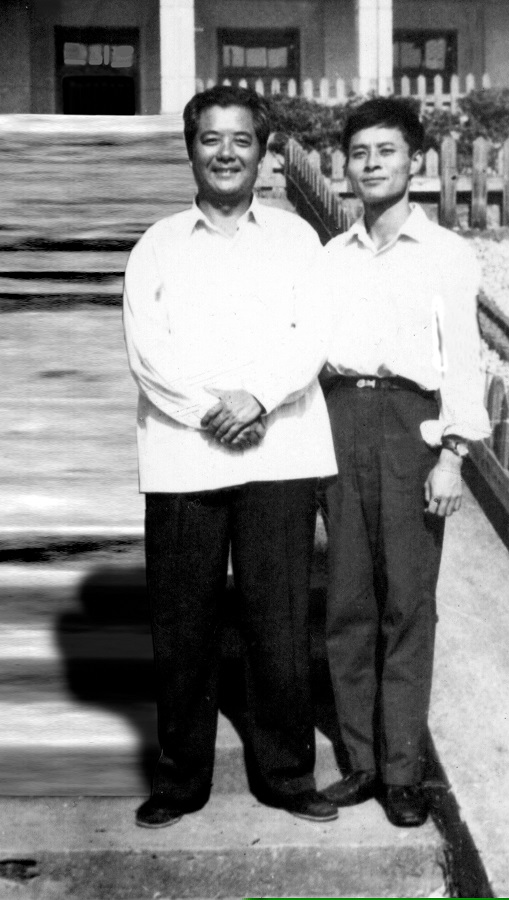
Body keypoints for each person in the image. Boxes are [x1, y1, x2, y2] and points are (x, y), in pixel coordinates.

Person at [123, 85, 338, 828]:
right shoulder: (156, 245)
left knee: (279, 621)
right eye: (211, 138)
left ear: (263, 152)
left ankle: (287, 774)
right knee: (183, 623)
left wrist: (259, 400)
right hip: (183, 457)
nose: (226, 153)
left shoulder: (296, 240)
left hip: (279, 454)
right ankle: (180, 779)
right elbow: (147, 352)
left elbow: (313, 334)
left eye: (241, 140)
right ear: (190, 149)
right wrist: (211, 414)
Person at [320, 98, 491, 827]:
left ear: (414, 161)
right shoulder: (332, 256)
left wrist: (453, 454)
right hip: (340, 420)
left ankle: (402, 772)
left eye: (386, 151)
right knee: (348, 601)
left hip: (410, 427)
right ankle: (360, 763)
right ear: (346, 164)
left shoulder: (446, 253)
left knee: (408, 604)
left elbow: (463, 361)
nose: (372, 164)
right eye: (359, 152)